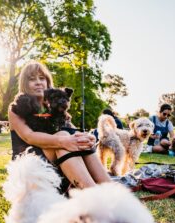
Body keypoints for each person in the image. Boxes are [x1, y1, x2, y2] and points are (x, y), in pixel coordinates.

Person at [8, 61, 111, 193]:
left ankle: (111, 190)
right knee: (62, 138)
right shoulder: (16, 107)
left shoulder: (54, 105)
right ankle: (94, 195)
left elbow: (72, 130)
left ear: (47, 81)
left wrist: (87, 137)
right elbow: (29, 137)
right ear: (24, 84)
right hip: (29, 160)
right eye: (32, 79)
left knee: (78, 138)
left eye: (42, 78)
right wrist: (64, 141)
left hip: (55, 155)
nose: (38, 82)